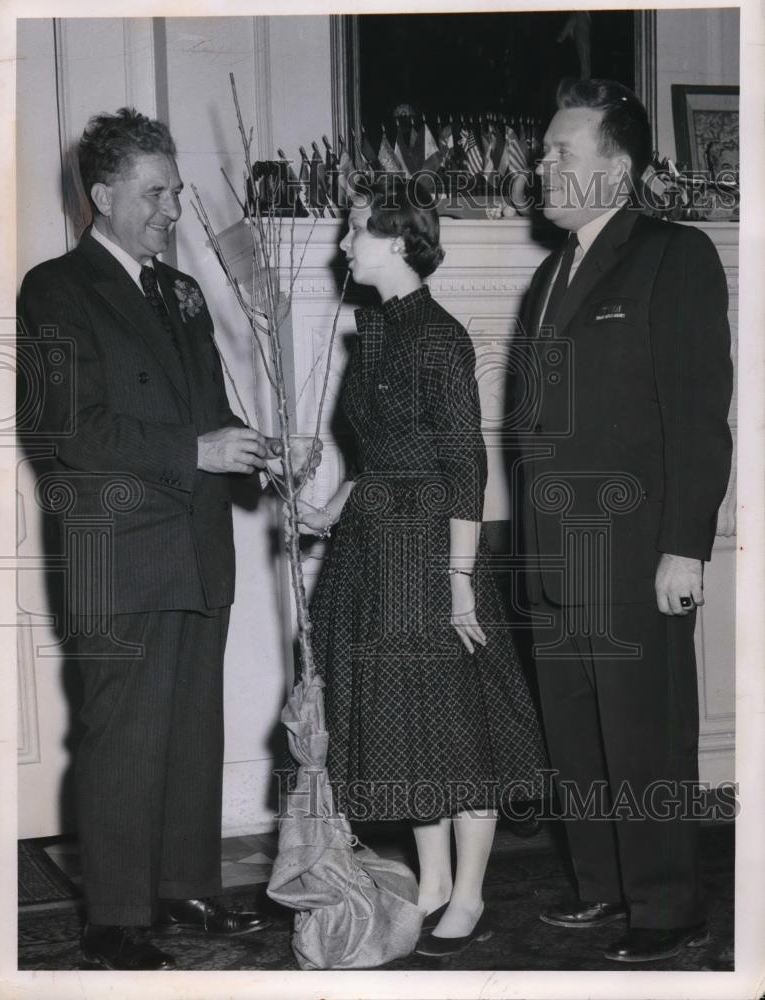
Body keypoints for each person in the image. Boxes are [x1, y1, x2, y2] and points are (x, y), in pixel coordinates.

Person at [19, 107, 320, 971]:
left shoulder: (181, 291)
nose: (171, 210)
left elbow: (211, 415)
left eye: (177, 192)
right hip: (121, 556)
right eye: (154, 194)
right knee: (124, 736)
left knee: (191, 728)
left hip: (196, 548)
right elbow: (71, 431)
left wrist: (259, 451)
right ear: (102, 194)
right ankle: (115, 916)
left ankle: (185, 882)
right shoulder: (53, 289)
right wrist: (197, 449)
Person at [291, 175, 548, 958]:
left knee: (459, 728)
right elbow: (377, 456)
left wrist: (459, 582)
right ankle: (431, 880)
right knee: (408, 730)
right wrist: (328, 510)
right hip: (372, 547)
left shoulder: (438, 335)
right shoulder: (373, 331)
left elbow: (464, 464)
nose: (342, 245)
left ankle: (468, 891)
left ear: (397, 241)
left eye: (354, 231)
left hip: (430, 553)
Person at [518, 79, 733, 963]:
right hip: (557, 559)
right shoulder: (548, 273)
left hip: (639, 551)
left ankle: (668, 904)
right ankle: (604, 888)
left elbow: (697, 413)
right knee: (579, 737)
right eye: (543, 153)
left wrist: (685, 546)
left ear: (619, 166)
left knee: (645, 735)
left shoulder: (674, 256)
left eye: (561, 153)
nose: (543, 167)